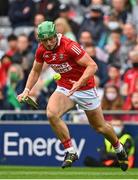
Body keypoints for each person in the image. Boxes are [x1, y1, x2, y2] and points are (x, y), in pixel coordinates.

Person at [17, 21, 128, 171]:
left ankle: (118, 147)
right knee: (51, 114)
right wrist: (27, 90)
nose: (49, 43)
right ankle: (71, 151)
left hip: (85, 88)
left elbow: (92, 65)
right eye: (44, 40)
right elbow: (35, 71)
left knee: (99, 127)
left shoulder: (69, 46)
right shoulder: (41, 49)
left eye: (51, 38)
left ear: (55, 34)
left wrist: (80, 82)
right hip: (65, 87)